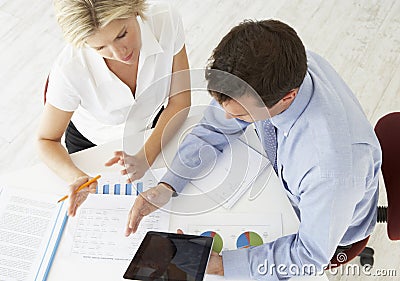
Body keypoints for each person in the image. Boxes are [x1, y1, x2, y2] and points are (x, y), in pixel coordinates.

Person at [125, 19, 382, 280]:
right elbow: (215, 128)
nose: (226, 118)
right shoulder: (275, 69)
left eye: (242, 114)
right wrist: (168, 185)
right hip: (292, 190)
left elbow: (309, 256)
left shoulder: (328, 169)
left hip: (330, 232)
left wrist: (219, 265)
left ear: (287, 97)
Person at [36, 0, 190, 216]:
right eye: (100, 47)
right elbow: (45, 141)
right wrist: (75, 176)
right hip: (93, 144)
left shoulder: (166, 19)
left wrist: (145, 156)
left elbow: (180, 101)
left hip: (153, 128)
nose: (119, 53)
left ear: (134, 9)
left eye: (121, 35)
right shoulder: (70, 69)